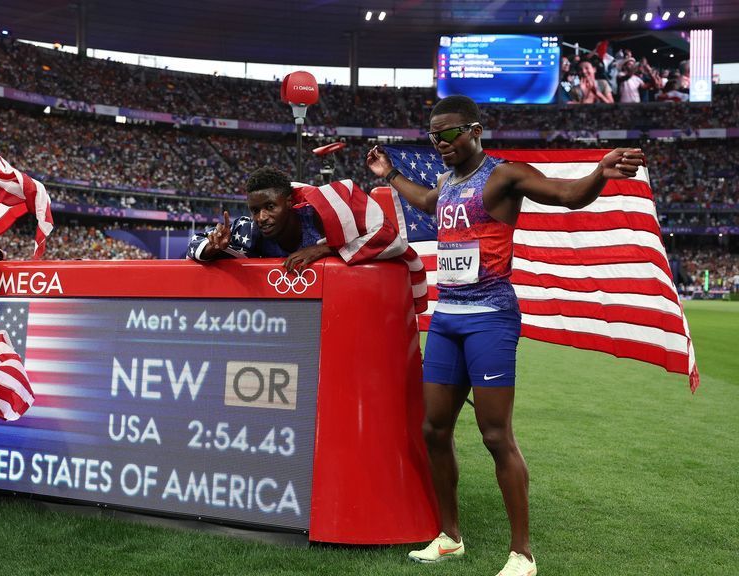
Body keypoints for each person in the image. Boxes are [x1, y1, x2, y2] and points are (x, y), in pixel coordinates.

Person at [365, 95, 645, 576]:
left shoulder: (505, 175)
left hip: (490, 317)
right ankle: (450, 537)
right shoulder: (446, 181)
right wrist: (389, 175)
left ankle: (522, 554)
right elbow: (431, 203)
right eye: (434, 136)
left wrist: (599, 172)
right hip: (448, 318)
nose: (441, 144)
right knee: (433, 429)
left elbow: (565, 194)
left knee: (495, 435)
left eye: (449, 133)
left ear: (476, 130)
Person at [186, 166, 423, 281]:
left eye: (270, 207)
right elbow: (193, 244)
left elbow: (386, 237)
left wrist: (326, 248)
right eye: (255, 210)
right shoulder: (250, 230)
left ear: (289, 203)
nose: (262, 217)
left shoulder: (321, 219)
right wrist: (213, 247)